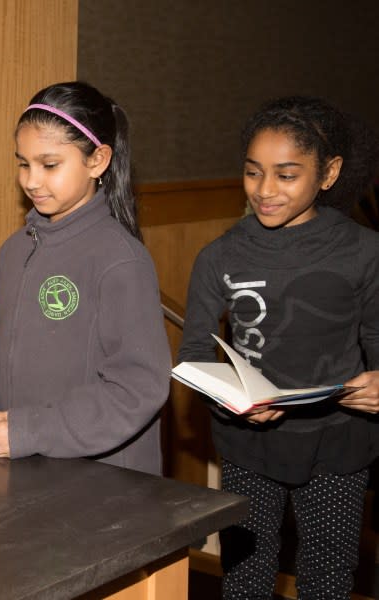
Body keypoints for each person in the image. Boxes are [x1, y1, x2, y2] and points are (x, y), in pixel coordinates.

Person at [178, 96, 379, 599]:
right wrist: (229, 399)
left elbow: (377, 335)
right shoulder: (218, 256)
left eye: (286, 175)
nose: (264, 191)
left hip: (339, 444)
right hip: (248, 446)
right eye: (252, 173)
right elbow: (197, 352)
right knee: (244, 576)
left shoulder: (364, 251)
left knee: (328, 578)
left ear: (328, 173)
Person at [0, 81, 171, 474]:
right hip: (30, 467)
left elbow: (138, 388)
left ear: (98, 161)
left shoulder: (121, 260)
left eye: (50, 164)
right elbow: (0, 349)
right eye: (23, 164)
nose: (31, 181)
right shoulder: (15, 250)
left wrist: (33, 430)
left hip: (106, 484)